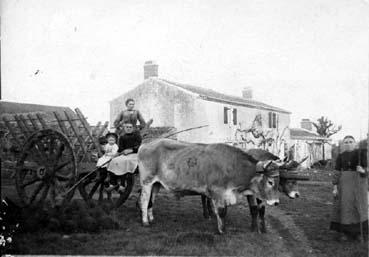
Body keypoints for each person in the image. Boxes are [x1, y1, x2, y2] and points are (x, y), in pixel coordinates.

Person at [330, 135, 368, 241]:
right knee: (345, 207)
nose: (348, 143)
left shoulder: (362, 153)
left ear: (355, 143)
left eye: (351, 141)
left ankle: (359, 233)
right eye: (345, 142)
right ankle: (345, 233)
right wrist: (335, 187)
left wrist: (363, 170)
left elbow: (367, 169)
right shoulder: (341, 156)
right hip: (345, 184)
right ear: (343, 144)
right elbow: (337, 172)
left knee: (359, 207)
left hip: (359, 182)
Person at [106, 122, 142, 192]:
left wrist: (131, 150)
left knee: (125, 162)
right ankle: (113, 183)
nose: (128, 128)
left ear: (133, 128)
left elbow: (138, 146)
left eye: (130, 127)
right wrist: (115, 154)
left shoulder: (137, 136)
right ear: (124, 128)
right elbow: (120, 149)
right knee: (114, 161)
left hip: (134, 154)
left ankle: (122, 185)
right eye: (127, 127)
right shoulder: (122, 137)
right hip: (124, 155)